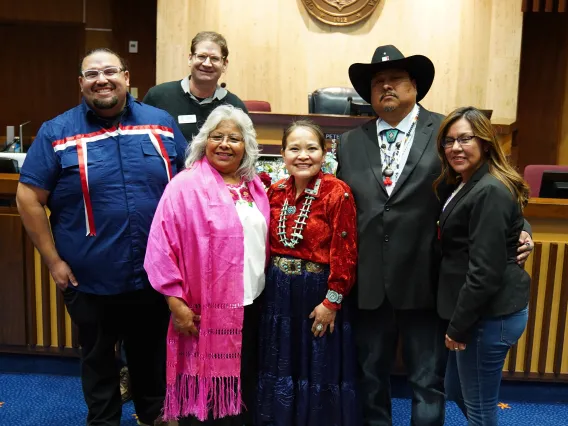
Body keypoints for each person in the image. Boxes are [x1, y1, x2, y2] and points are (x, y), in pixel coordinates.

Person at [336, 45, 534, 426]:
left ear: (415, 86)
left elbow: (487, 186)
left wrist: (522, 229)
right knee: (370, 378)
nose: (386, 87)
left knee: (428, 382)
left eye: (395, 79)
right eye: (378, 82)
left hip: (427, 282)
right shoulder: (349, 143)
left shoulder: (447, 133)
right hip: (369, 286)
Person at [16, 48, 188, 426]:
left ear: (127, 77)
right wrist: (53, 261)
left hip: (153, 273)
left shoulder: (160, 123)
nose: (102, 79)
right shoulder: (57, 132)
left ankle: (152, 416)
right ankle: (104, 420)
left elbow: (191, 182)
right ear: (81, 83)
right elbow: (28, 196)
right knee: (98, 360)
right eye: (92, 74)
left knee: (150, 356)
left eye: (110, 71)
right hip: (89, 275)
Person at [144, 104, 269, 426]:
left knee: (243, 386)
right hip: (201, 310)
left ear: (247, 147)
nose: (225, 144)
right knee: (206, 396)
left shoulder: (255, 187)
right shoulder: (184, 186)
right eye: (217, 136)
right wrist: (175, 302)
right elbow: (159, 249)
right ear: (204, 142)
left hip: (250, 305)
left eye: (234, 138)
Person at [257, 121, 359, 426]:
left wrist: (331, 302)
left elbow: (346, 251)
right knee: (281, 359)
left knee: (317, 362)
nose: (303, 156)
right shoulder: (275, 192)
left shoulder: (336, 192)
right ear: (283, 154)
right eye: (294, 149)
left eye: (312, 148)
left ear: (324, 152)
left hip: (317, 289)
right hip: (278, 290)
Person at [434, 106, 530, 425]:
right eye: (449, 141)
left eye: (465, 138)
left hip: (489, 314)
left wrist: (459, 325)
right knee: (457, 390)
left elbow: (484, 272)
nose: (456, 147)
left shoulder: (489, 188)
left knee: (479, 408)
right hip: (480, 311)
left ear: (485, 143)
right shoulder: (464, 181)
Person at [143, 31, 248, 142]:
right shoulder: (158, 97)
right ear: (190, 59)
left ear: (224, 64)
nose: (207, 63)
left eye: (215, 59)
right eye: (201, 56)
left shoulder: (236, 107)